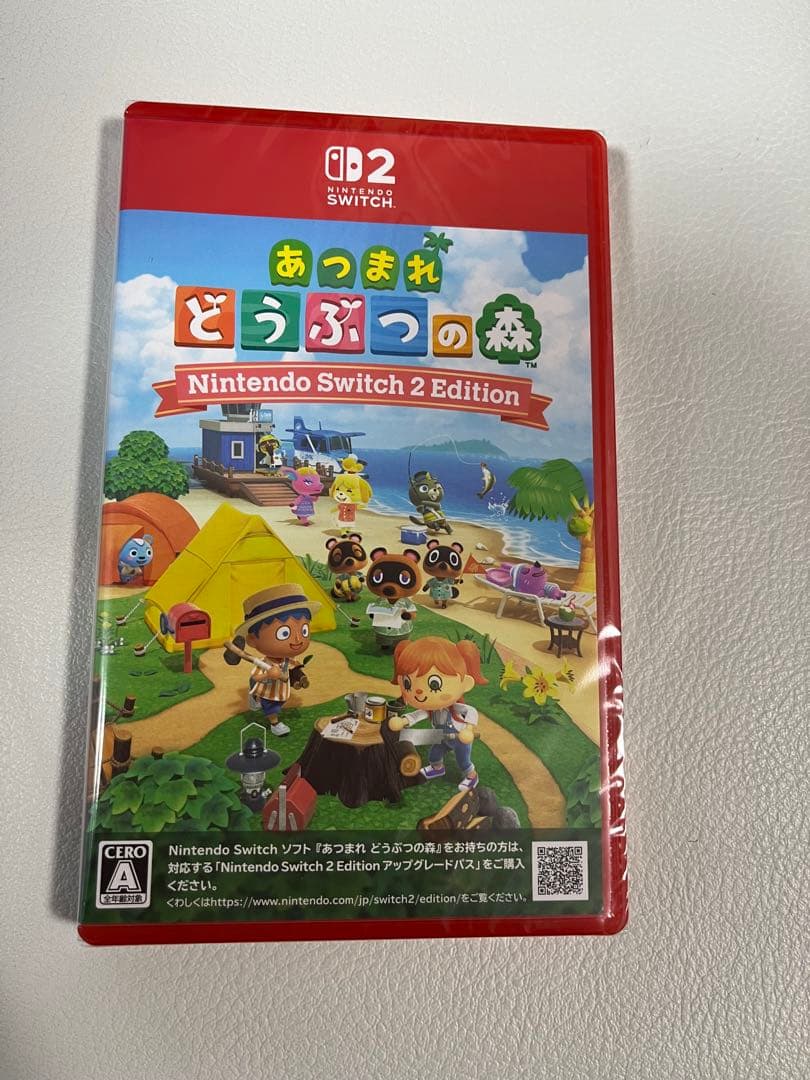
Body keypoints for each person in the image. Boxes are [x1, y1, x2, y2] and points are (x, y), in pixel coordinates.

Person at [388, 636, 487, 791]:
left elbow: (471, 711)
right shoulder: (431, 708)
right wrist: (403, 721)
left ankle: (472, 776)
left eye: (434, 685)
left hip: (460, 739)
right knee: (435, 754)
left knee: (463, 761)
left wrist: (468, 729)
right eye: (407, 684)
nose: (419, 692)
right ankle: (437, 768)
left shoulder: (455, 708)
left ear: (465, 684)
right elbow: (418, 715)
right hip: (442, 737)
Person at [232, 585, 318, 737]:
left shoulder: (288, 659)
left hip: (282, 690)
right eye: (284, 633)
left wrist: (298, 671)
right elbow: (255, 677)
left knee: (279, 701)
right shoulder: (265, 663)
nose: (297, 640)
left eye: (304, 630)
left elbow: (293, 665)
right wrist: (268, 675)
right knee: (271, 706)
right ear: (252, 640)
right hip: (269, 691)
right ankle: (274, 724)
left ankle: (255, 697)